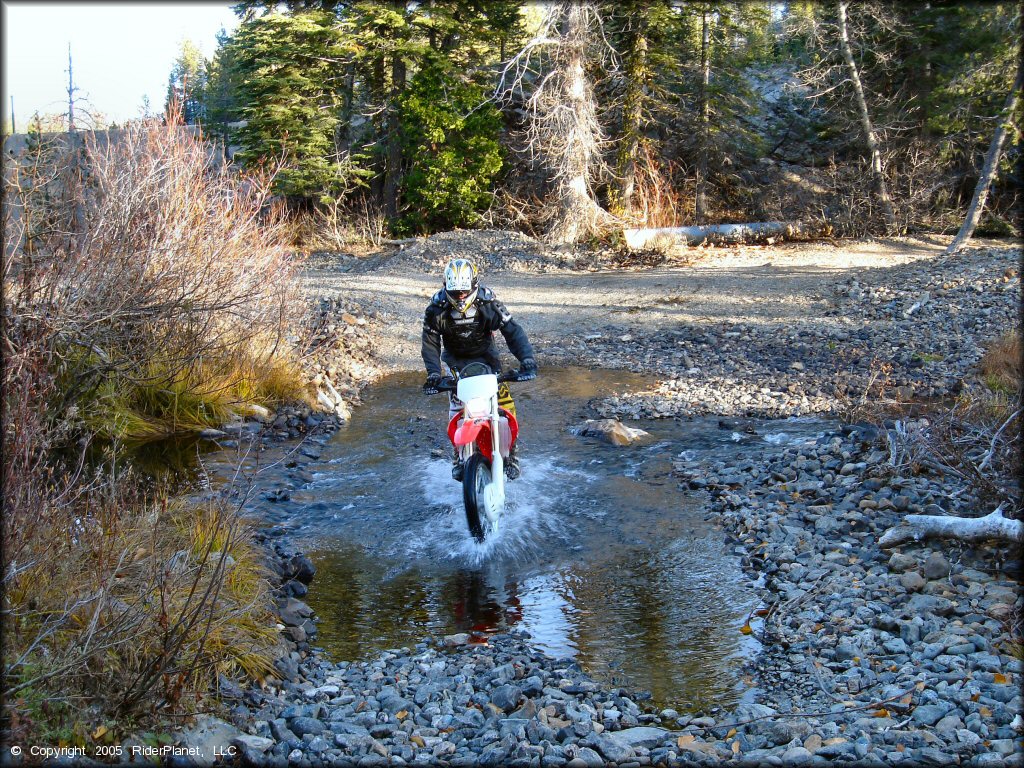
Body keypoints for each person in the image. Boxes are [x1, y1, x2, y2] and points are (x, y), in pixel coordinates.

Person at [422, 257, 537, 481]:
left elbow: (513, 332)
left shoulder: (489, 304)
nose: (460, 297)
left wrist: (527, 360)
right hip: (456, 361)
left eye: (464, 292)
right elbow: (430, 344)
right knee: (457, 402)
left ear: (474, 285)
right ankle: (458, 453)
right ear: (446, 287)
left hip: (487, 358)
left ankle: (512, 452)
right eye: (455, 293)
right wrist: (434, 374)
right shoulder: (436, 310)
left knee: (503, 400)